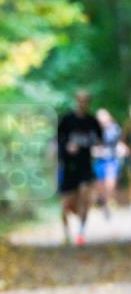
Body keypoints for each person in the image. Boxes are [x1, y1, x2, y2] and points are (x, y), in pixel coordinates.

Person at [56, 91, 102, 245]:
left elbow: (99, 141)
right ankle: (66, 234)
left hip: (85, 166)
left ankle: (81, 233)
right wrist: (66, 147)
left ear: (89, 103)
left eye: (86, 101)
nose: (83, 104)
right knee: (66, 204)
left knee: (84, 197)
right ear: (76, 101)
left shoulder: (92, 121)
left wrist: (96, 148)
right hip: (68, 166)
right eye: (80, 101)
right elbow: (56, 140)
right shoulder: (67, 120)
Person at [92, 108, 122, 218]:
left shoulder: (115, 129)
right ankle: (103, 203)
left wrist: (120, 149)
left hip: (111, 160)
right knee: (100, 185)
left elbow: (118, 143)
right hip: (99, 161)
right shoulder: (95, 130)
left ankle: (107, 204)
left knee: (110, 184)